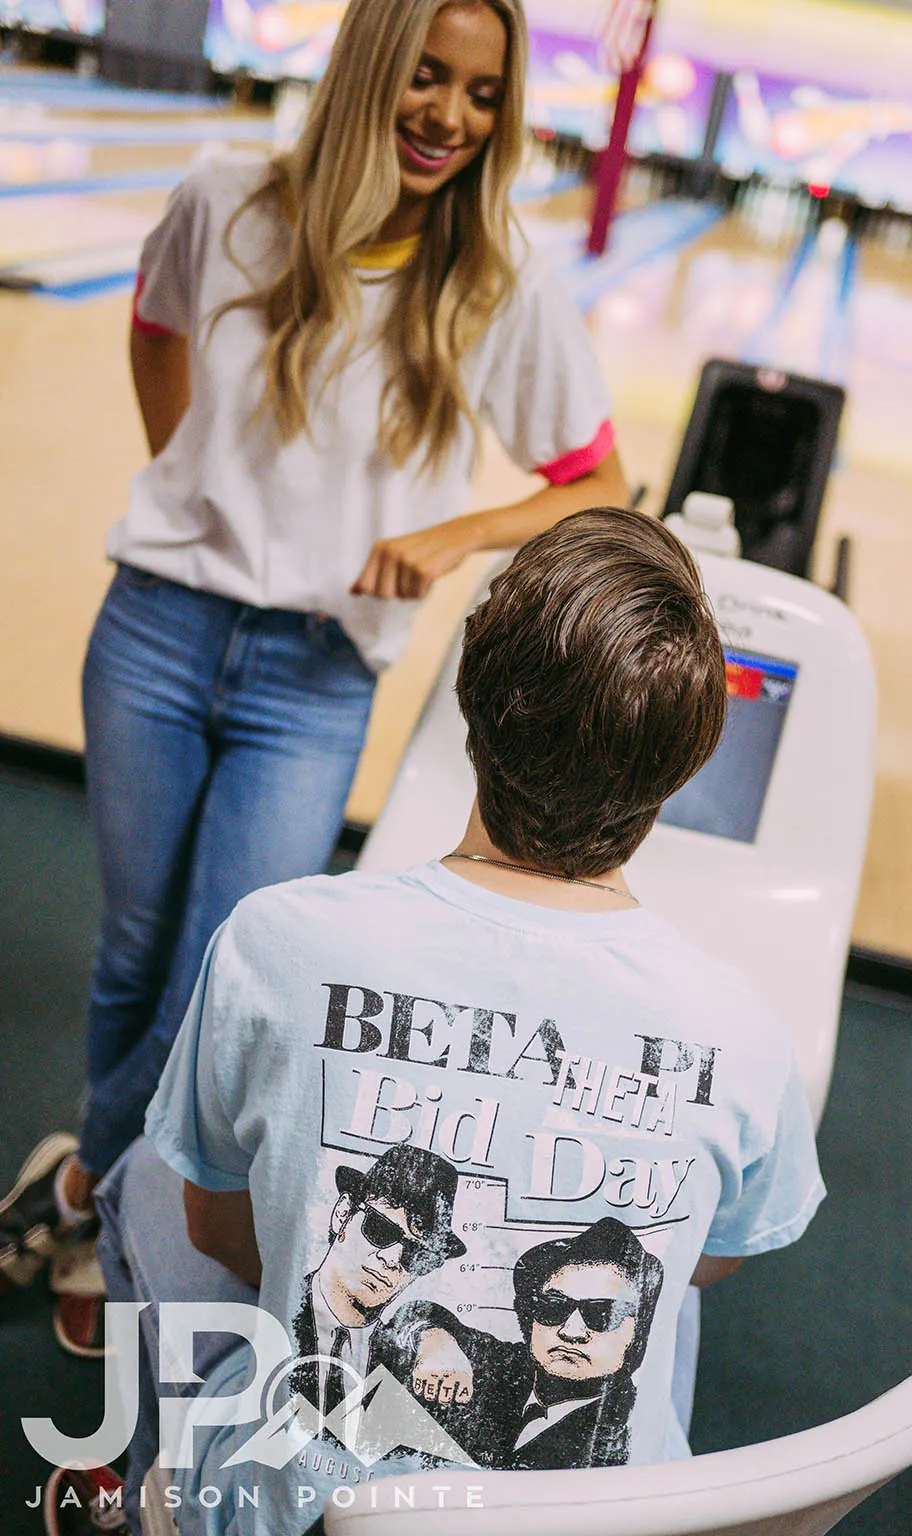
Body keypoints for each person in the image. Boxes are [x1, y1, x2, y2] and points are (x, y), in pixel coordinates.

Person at [0, 0, 627, 1346]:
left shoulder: (496, 283)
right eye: (422, 76)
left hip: (312, 678)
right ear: (365, 69)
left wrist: (454, 534)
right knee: (127, 957)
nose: (446, 115)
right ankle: (100, 1201)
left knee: (209, 979)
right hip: (158, 629)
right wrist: (187, 481)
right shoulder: (224, 198)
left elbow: (601, 486)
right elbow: (155, 331)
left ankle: (96, 1213)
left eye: (477, 93)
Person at [83, 506, 825, 1536]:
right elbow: (717, 1259)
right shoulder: (743, 1029)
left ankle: (155, 1486)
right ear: (684, 764)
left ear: (469, 692)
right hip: (614, 1519)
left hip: (300, 1506)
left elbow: (222, 1231)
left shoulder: (275, 937)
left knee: (148, 1173)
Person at [384, 1216, 664, 1468]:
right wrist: (436, 1343)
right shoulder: (508, 1366)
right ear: (528, 1316)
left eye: (603, 1313)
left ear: (638, 1331)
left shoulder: (627, 1429)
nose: (572, 1330)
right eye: (553, 1306)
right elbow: (419, 1313)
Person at [290, 1146, 466, 1420]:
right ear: (342, 1214)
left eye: (416, 1254)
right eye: (380, 1229)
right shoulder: (281, 1311)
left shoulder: (408, 1363)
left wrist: (439, 1337)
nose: (392, 1259)